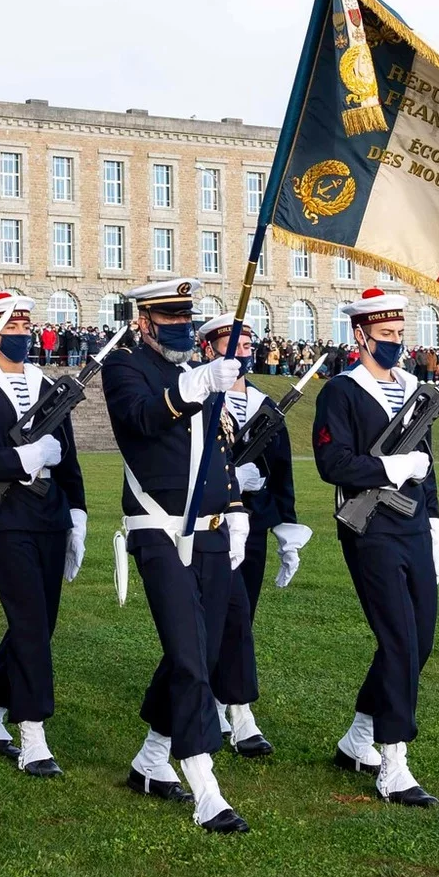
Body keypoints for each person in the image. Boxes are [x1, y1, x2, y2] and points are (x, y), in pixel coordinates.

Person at [99, 277, 250, 835]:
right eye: (169, 321)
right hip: (160, 530)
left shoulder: (202, 373)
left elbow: (218, 449)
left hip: (209, 529)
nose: (183, 329)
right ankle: (205, 785)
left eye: (187, 319)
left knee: (202, 651)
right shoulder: (126, 369)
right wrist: (195, 387)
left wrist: (235, 506)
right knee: (188, 654)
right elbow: (140, 420)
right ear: (144, 324)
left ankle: (150, 758)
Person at [312, 288, 439, 807]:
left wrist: (435, 522)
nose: (395, 344)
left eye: (399, 335)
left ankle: (357, 738)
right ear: (360, 335)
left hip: (411, 525)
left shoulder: (412, 389)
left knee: (421, 640)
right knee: (399, 640)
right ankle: (393, 760)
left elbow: (427, 464)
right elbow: (334, 465)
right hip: (369, 529)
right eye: (385, 336)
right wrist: (391, 467)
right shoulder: (341, 392)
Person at [0, 292, 87, 778]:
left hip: (50, 514)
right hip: (6, 517)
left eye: (26, 325)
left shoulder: (48, 385)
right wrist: (23, 459)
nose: (22, 334)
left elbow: (68, 454)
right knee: (31, 622)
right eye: (11, 327)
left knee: (39, 624)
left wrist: (77, 511)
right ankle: (32, 733)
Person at [196, 315, 309, 759]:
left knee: (244, 614)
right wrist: (225, 477)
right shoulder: (199, 395)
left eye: (248, 343)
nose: (244, 349)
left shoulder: (264, 404)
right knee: (218, 618)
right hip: (210, 524)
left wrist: (287, 526)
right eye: (233, 342)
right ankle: (229, 709)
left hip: (255, 522)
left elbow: (281, 472)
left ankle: (229, 704)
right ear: (210, 349)